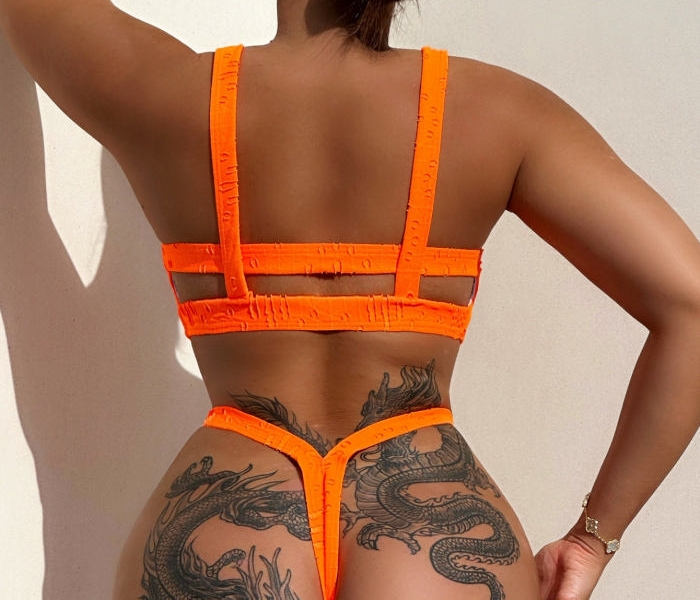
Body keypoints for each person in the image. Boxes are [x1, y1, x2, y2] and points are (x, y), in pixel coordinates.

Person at [1, 1, 698, 599]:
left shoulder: (163, 92)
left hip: (224, 514)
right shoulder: (500, 111)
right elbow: (690, 305)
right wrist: (593, 538)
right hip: (430, 523)